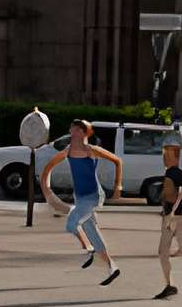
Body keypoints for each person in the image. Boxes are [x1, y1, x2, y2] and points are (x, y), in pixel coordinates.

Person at [42, 119, 122, 289]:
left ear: (85, 133)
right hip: (80, 198)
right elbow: (48, 167)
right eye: (73, 128)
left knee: (71, 224)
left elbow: (117, 161)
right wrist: (46, 188)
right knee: (93, 232)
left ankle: (88, 248)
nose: (74, 131)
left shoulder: (91, 150)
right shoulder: (68, 151)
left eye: (78, 129)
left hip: (93, 197)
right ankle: (111, 267)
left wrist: (118, 186)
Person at [154, 136, 182, 301]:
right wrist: (165, 211)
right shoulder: (168, 173)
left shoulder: (177, 173)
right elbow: (169, 194)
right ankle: (169, 285)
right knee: (162, 253)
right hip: (169, 220)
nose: (165, 157)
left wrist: (173, 211)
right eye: (164, 154)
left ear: (176, 156)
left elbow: (181, 193)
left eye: (168, 155)